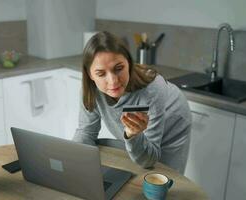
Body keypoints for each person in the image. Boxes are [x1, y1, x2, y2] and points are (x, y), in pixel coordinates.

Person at [72, 31, 192, 174]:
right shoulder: (91, 91)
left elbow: (150, 159)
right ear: (90, 74)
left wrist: (132, 136)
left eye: (118, 69)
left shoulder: (152, 90)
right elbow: (86, 132)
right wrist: (70, 158)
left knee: (165, 178)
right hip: (140, 130)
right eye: (101, 73)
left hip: (173, 121)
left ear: (129, 63)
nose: (113, 81)